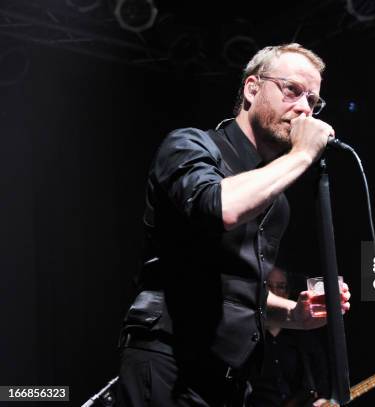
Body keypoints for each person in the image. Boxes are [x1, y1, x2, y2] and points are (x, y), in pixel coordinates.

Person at [115, 43, 351, 407]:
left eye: (313, 101)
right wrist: (303, 154)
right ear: (252, 88)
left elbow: (241, 293)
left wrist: (296, 314)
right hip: (170, 363)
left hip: (231, 381)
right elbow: (218, 207)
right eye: (292, 90)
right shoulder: (191, 145)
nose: (304, 108)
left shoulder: (276, 199)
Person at [247, 267, 330, 407]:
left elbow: (320, 380)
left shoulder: (304, 339)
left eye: (281, 287)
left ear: (287, 292)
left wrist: (322, 399)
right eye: (268, 287)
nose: (274, 292)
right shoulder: (247, 337)